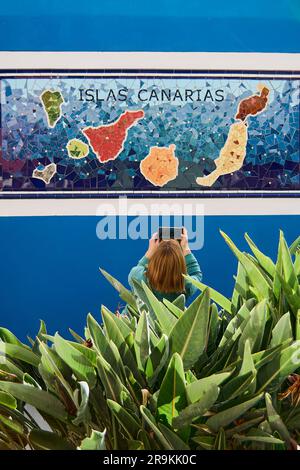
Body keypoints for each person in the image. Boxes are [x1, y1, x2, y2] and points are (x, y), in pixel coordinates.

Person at [128, 228, 202, 302]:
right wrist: (186, 249)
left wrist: (150, 251)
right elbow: (196, 274)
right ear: (181, 262)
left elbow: (139, 269)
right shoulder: (186, 285)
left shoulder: (137, 277)